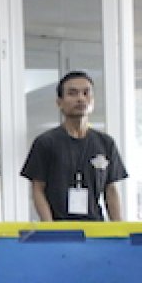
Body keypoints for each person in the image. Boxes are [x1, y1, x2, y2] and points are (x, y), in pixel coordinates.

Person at [21, 70, 127, 221]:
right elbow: (38, 189)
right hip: (60, 229)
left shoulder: (105, 143)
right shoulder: (45, 142)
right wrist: (50, 229)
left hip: (95, 229)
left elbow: (110, 189)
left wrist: (119, 230)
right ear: (59, 102)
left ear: (93, 100)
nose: (80, 98)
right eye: (72, 93)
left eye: (86, 93)